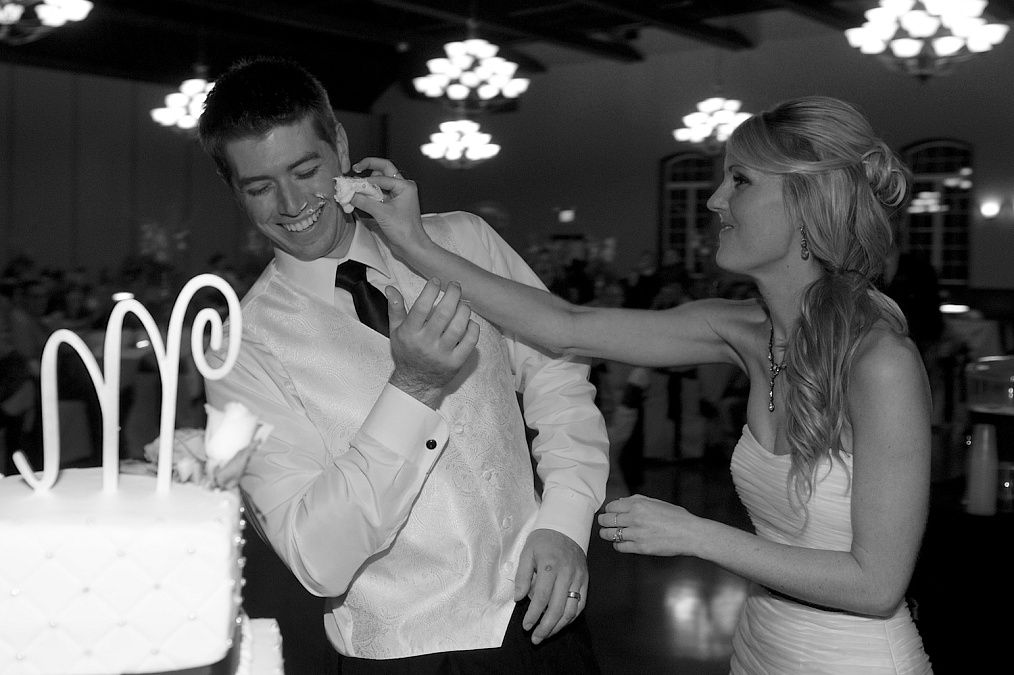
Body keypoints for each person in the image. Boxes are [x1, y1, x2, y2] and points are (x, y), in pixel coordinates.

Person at [357, 96, 934, 673]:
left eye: (740, 180)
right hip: (761, 647)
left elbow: (876, 584)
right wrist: (414, 243)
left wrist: (696, 535)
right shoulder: (736, 328)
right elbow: (564, 326)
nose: (715, 200)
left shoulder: (880, 362)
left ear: (806, 203)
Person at [195, 57, 608, 674]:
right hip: (405, 652)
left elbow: (558, 376)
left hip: (545, 618)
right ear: (235, 191)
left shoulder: (463, 242)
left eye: (305, 170)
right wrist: (413, 387)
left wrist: (567, 521)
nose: (290, 203)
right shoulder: (242, 349)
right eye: (259, 187)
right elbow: (316, 558)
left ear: (339, 147)